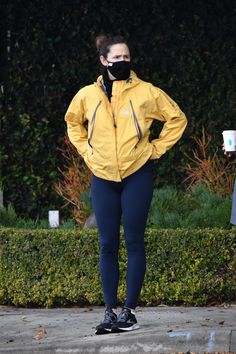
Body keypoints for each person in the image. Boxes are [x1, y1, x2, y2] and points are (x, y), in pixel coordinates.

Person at [65, 34, 187, 335]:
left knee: (134, 241)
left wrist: (154, 149)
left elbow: (177, 119)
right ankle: (109, 312)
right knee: (107, 244)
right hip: (103, 176)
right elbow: (72, 122)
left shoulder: (147, 92)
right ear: (104, 60)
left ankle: (128, 312)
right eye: (117, 58)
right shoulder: (86, 95)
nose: (123, 62)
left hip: (137, 174)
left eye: (126, 57)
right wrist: (88, 153)